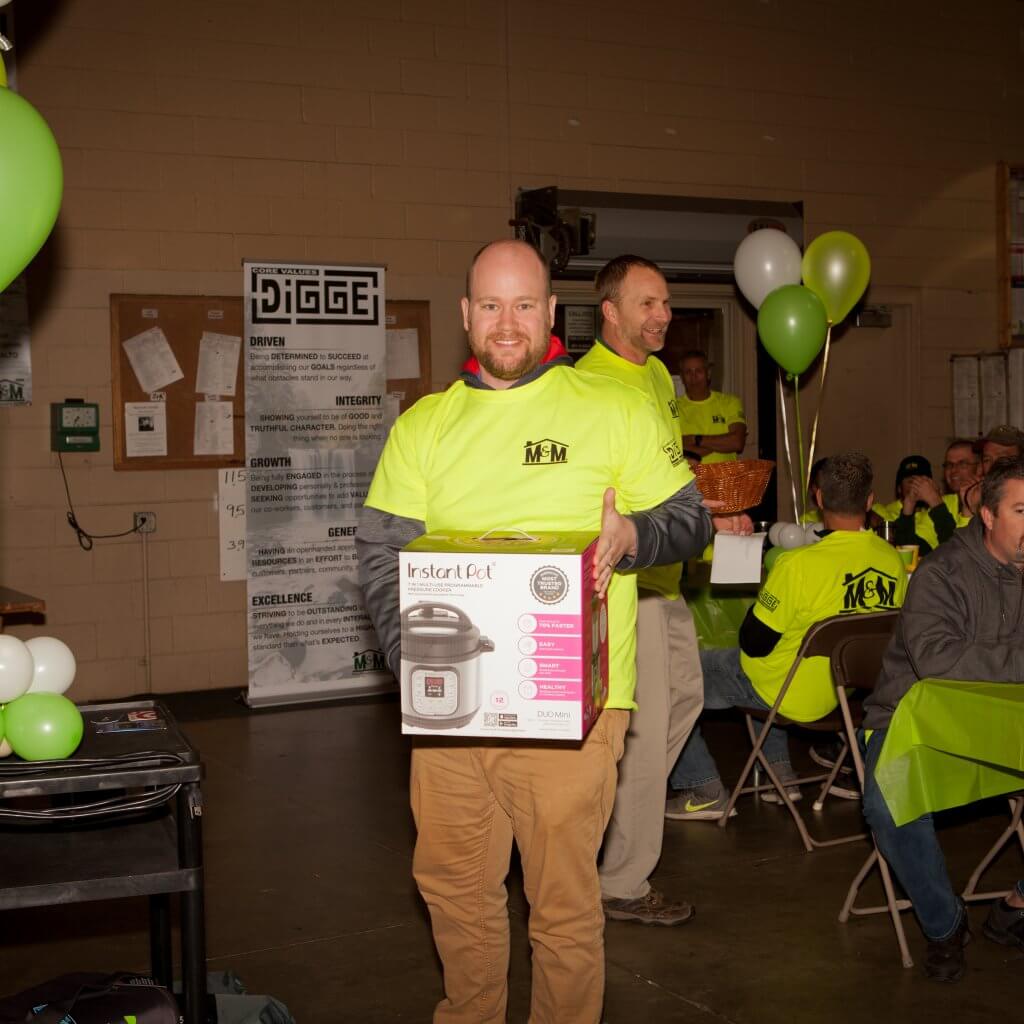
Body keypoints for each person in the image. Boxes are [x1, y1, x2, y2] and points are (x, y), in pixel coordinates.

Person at [355, 239, 713, 1023]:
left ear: (551, 312)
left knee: (561, 904)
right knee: (453, 890)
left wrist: (630, 541)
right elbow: (383, 553)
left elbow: (688, 521)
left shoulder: (614, 408)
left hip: (574, 710)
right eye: (490, 305)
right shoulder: (426, 424)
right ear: (466, 315)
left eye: (524, 305)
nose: (506, 323)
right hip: (454, 713)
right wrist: (412, 663)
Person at [576, 254, 751, 927]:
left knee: (686, 698)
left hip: (667, 575)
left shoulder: (656, 376)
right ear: (611, 313)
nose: (664, 316)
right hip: (625, 584)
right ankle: (620, 880)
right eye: (648, 304)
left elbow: (666, 477)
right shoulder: (589, 386)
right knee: (644, 734)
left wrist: (711, 514)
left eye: (667, 303)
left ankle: (617, 821)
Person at [667, 452, 908, 817]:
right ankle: (779, 775)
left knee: (671, 677)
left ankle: (702, 789)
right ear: (871, 501)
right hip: (847, 693)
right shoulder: (892, 559)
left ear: (819, 498)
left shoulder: (797, 565)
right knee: (782, 656)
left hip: (786, 692)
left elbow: (754, 643)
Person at [862, 455, 1024, 983]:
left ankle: (1016, 907)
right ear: (988, 516)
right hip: (912, 716)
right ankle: (944, 923)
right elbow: (936, 660)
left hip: (1000, 718)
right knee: (887, 806)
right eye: (1022, 511)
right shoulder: (941, 573)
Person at [677, 350, 746, 463]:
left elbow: (737, 442)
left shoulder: (730, 402)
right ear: (682, 377)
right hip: (691, 479)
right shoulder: (673, 408)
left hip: (725, 479)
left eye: (698, 371)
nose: (693, 376)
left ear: (708, 373)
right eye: (688, 372)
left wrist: (695, 439)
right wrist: (719, 444)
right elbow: (675, 448)